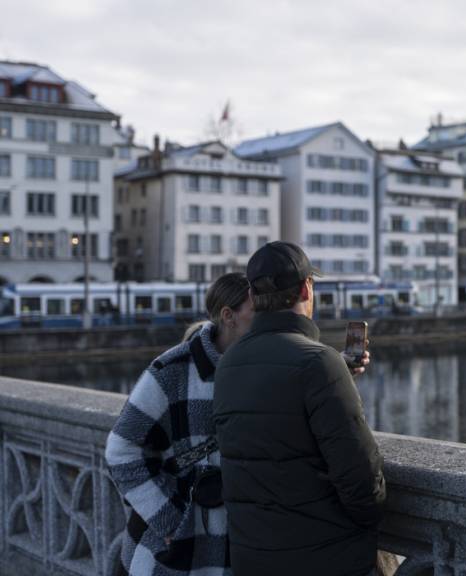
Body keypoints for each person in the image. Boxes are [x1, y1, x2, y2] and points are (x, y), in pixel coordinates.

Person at [213, 241, 386, 576]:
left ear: (253, 294)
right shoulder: (320, 362)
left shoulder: (229, 363)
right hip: (323, 558)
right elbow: (361, 480)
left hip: (253, 559)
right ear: (307, 288)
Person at [105, 273, 252, 575]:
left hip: (240, 549)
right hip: (178, 555)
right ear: (229, 316)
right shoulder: (172, 371)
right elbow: (121, 450)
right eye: (258, 312)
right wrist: (171, 521)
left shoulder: (261, 368)